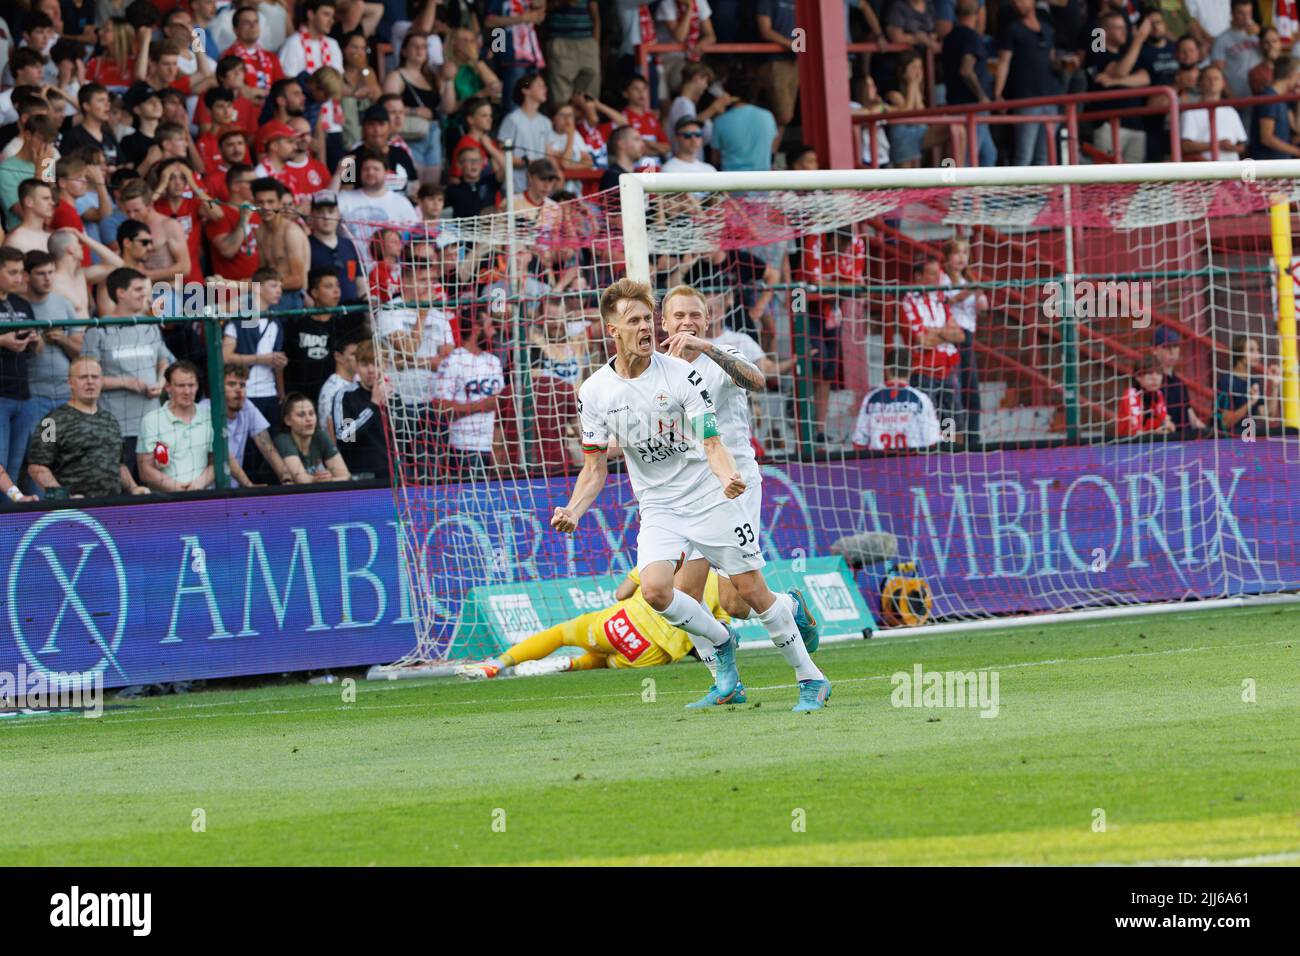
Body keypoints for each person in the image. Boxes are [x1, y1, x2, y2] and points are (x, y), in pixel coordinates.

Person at [551, 277, 831, 712]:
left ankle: (810, 677)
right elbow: (594, 467)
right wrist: (573, 508)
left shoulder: (685, 373)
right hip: (659, 505)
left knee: (748, 595)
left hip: (709, 494)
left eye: (647, 319)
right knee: (659, 592)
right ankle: (722, 647)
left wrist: (726, 480)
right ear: (613, 330)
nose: (645, 328)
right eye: (636, 320)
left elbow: (712, 441)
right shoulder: (594, 391)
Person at [658, 283, 819, 678]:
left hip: (734, 484)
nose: (687, 322)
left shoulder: (724, 354)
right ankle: (723, 681)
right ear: (664, 322)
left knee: (735, 602)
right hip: (689, 492)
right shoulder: (656, 369)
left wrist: (708, 348)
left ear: (707, 319)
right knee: (682, 596)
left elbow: (758, 380)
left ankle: (793, 607)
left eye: (694, 315)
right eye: (678, 316)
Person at [455, 565, 733, 681]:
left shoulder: (665, 554)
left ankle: (499, 663)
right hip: (651, 654)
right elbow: (719, 634)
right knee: (605, 662)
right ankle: (572, 664)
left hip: (622, 623)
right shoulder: (721, 582)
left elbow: (621, 593)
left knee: (562, 633)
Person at [82, 267, 173, 478]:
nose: (145, 294)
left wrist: (160, 381)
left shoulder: (150, 326)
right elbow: (86, 377)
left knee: (156, 489)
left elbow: (164, 360)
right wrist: (126, 382)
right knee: (120, 491)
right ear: (121, 293)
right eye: (138, 289)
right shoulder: (98, 329)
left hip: (152, 426)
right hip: (116, 428)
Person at [26, 356, 150, 498]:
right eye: (83, 377)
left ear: (102, 381)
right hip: (73, 512)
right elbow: (36, 467)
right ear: (70, 382)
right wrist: (63, 497)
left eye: (95, 377)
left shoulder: (110, 420)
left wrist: (134, 487)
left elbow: (119, 464)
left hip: (112, 508)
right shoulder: (51, 422)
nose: (90, 382)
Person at [994, 0, 1071, 167]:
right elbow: (1003, 62)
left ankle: (1042, 195)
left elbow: (1051, 61)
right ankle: (1023, 194)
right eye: (1015, 2)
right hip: (1026, 99)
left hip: (1049, 98)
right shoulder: (1012, 29)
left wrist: (1063, 63)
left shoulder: (1047, 29)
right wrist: (998, 94)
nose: (1018, 4)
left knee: (1044, 158)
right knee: (1024, 157)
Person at [431, 309, 504, 478]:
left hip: (492, 446)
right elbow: (440, 408)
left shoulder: (493, 361)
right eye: (490, 325)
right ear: (476, 329)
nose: (494, 331)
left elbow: (500, 408)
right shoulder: (453, 361)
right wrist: (481, 405)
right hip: (463, 447)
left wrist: (499, 446)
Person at [903, 257, 964, 442]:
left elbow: (960, 335)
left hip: (948, 368)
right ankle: (930, 463)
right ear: (918, 276)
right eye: (932, 274)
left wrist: (934, 331)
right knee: (927, 423)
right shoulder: (909, 301)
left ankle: (952, 457)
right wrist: (945, 333)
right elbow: (922, 341)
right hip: (924, 370)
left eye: (939, 274)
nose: (937, 279)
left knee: (952, 420)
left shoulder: (940, 298)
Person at [202, 363, 289, 487]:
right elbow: (224, 455)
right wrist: (249, 486)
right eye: (231, 384)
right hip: (204, 493)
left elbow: (267, 446)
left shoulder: (247, 406)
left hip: (234, 492)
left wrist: (286, 479)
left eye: (242, 385)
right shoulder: (204, 409)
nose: (238, 390)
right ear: (217, 388)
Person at [136, 359, 215, 492]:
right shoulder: (151, 420)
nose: (187, 391)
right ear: (168, 387)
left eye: (191, 385)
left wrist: (199, 484)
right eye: (180, 385)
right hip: (166, 502)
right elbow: (145, 470)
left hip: (203, 498)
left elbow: (217, 461)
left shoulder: (210, 416)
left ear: (197, 386)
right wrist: (179, 490)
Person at [1085, 10, 1150, 164]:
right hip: (1108, 125)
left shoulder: (1127, 53)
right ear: (1105, 32)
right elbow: (1121, 70)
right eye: (1118, 28)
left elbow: (1145, 78)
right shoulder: (1097, 50)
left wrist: (1115, 81)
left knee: (1134, 182)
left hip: (1136, 125)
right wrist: (1139, 39)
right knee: (1106, 181)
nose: (1124, 32)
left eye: (1125, 28)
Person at [939, 237, 986, 445]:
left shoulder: (969, 280)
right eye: (957, 253)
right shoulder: (943, 280)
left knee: (971, 392)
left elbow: (983, 307)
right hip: (948, 338)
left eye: (965, 253)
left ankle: (973, 439)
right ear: (948, 257)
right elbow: (946, 301)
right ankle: (948, 439)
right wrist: (967, 292)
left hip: (966, 337)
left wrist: (978, 294)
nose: (961, 258)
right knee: (951, 394)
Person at [941, 0, 996, 166]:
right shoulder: (972, 37)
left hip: (956, 103)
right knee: (967, 159)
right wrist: (982, 97)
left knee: (989, 154)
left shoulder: (950, 37)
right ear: (978, 14)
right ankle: (958, 192)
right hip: (972, 108)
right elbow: (966, 70)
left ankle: (977, 191)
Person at [0, 247, 38, 482]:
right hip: (0, 395)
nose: (19, 278)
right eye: (12, 272)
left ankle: (10, 517)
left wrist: (34, 339)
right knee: (1, 465)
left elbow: (37, 349)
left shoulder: (22, 303)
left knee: (14, 467)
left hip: (24, 394)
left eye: (21, 272)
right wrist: (3, 340)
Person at [851, 359, 942, 451]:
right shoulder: (921, 398)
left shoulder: (870, 398)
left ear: (887, 370)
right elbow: (932, 441)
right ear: (910, 371)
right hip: (913, 461)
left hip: (878, 462)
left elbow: (859, 442)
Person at [335, 149, 419, 247]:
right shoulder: (345, 198)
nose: (370, 172)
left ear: (386, 173)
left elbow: (414, 236)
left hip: (389, 261)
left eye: (376, 169)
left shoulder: (401, 202)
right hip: (350, 261)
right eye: (366, 169)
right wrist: (338, 174)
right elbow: (324, 205)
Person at [332, 338, 389, 479]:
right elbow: (345, 437)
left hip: (391, 477)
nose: (371, 370)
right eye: (364, 365)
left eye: (376, 364)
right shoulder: (345, 396)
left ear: (385, 365)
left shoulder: (394, 397)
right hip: (359, 477)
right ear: (356, 366)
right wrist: (374, 405)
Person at [252, 177, 310, 312]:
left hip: (292, 297)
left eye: (270, 202)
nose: (265, 207)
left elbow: (298, 280)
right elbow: (262, 274)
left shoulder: (291, 232)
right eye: (260, 202)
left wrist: (242, 285)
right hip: (268, 296)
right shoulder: (260, 232)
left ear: (279, 203)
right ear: (254, 203)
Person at [275, 392, 351, 483]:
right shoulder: (283, 440)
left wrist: (330, 479)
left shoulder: (320, 436)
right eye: (301, 415)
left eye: (311, 413)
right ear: (287, 420)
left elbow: (346, 476)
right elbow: (301, 479)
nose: (308, 419)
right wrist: (321, 480)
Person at [710, 72, 779, 172]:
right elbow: (772, 149)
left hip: (731, 182)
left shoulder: (720, 121)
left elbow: (715, 159)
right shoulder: (767, 116)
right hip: (763, 182)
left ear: (728, 94)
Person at [497, 72, 554, 192]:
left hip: (540, 188)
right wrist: (529, 163)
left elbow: (549, 154)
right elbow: (503, 154)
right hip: (516, 187)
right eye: (539, 85)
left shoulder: (546, 122)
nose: (545, 89)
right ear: (525, 90)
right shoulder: (512, 120)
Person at [1180, 64, 1248, 161]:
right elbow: (1186, 146)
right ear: (1200, 83)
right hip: (1204, 170)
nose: (1212, 82)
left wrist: (1233, 148)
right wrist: (1218, 145)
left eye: (1216, 78)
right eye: (1208, 78)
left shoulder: (1230, 111)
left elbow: (1241, 145)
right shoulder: (1190, 112)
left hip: (1232, 170)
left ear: (1223, 83)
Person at [1216, 334, 1280, 435]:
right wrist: (1250, 402)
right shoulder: (1226, 381)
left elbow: (1269, 416)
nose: (1257, 355)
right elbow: (1225, 423)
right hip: (1227, 442)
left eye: (1258, 350)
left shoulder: (1253, 382)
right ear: (1239, 353)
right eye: (1251, 350)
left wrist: (1275, 387)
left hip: (1248, 440)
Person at [306, 192, 363, 302]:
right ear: (312, 216)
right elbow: (302, 288)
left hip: (352, 313)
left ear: (338, 214)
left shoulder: (349, 244)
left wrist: (366, 307)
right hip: (321, 314)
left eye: (331, 212)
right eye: (320, 212)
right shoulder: (305, 245)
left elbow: (359, 281)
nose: (326, 217)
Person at [1152, 326, 1207, 433]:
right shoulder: (1151, 382)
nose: (1172, 351)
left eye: (1175, 346)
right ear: (1154, 350)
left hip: (1185, 440)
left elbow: (1190, 415)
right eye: (1166, 347)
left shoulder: (1179, 382)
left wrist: (1208, 432)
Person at [544, 0, 600, 104]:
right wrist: (561, 3)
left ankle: (586, 120)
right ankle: (563, 119)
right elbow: (538, 9)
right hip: (560, 42)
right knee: (561, 96)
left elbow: (595, 16)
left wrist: (595, 45)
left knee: (589, 95)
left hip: (587, 42)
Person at [1249, 55, 1300, 160]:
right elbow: (1266, 138)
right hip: (1269, 168)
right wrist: (1297, 151)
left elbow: (1296, 128)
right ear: (1292, 75)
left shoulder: (1280, 98)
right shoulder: (1269, 97)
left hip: (1277, 166)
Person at [278, 0, 343, 79]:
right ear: (311, 14)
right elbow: (287, 81)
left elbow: (338, 80)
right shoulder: (293, 43)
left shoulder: (333, 44)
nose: (331, 21)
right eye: (326, 14)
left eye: (332, 17)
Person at [1211, 0, 1262, 100]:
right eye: (1241, 13)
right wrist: (1231, 95)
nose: (1246, 17)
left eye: (1249, 13)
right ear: (1232, 13)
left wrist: (1261, 35)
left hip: (1261, 93)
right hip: (1239, 96)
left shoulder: (1258, 35)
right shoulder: (1222, 40)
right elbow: (1218, 71)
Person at [1117, 353, 1174, 438]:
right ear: (1138, 377)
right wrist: (1156, 432)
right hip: (1128, 445)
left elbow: (1163, 421)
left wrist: (1168, 425)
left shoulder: (1158, 394)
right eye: (1150, 373)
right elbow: (1135, 431)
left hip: (1150, 443)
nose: (1155, 378)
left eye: (1158, 373)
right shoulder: (1131, 394)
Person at [318, 333, 359, 438]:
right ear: (338, 356)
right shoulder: (334, 388)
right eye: (354, 354)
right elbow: (331, 426)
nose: (359, 358)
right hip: (345, 450)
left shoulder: (358, 380)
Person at [445, 145, 500, 218]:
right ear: (459, 164)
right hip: (463, 228)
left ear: (482, 163)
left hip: (488, 228)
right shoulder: (452, 189)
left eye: (477, 160)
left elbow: (506, 167)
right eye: (469, 160)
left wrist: (488, 146)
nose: (474, 164)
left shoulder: (490, 181)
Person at [3, 177, 54, 253]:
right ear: (29, 202)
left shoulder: (50, 236)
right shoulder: (16, 240)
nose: (52, 203)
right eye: (45, 198)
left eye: (51, 198)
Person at [597, 124, 645, 191]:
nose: (642, 144)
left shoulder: (637, 175)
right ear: (621, 144)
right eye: (636, 139)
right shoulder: (612, 177)